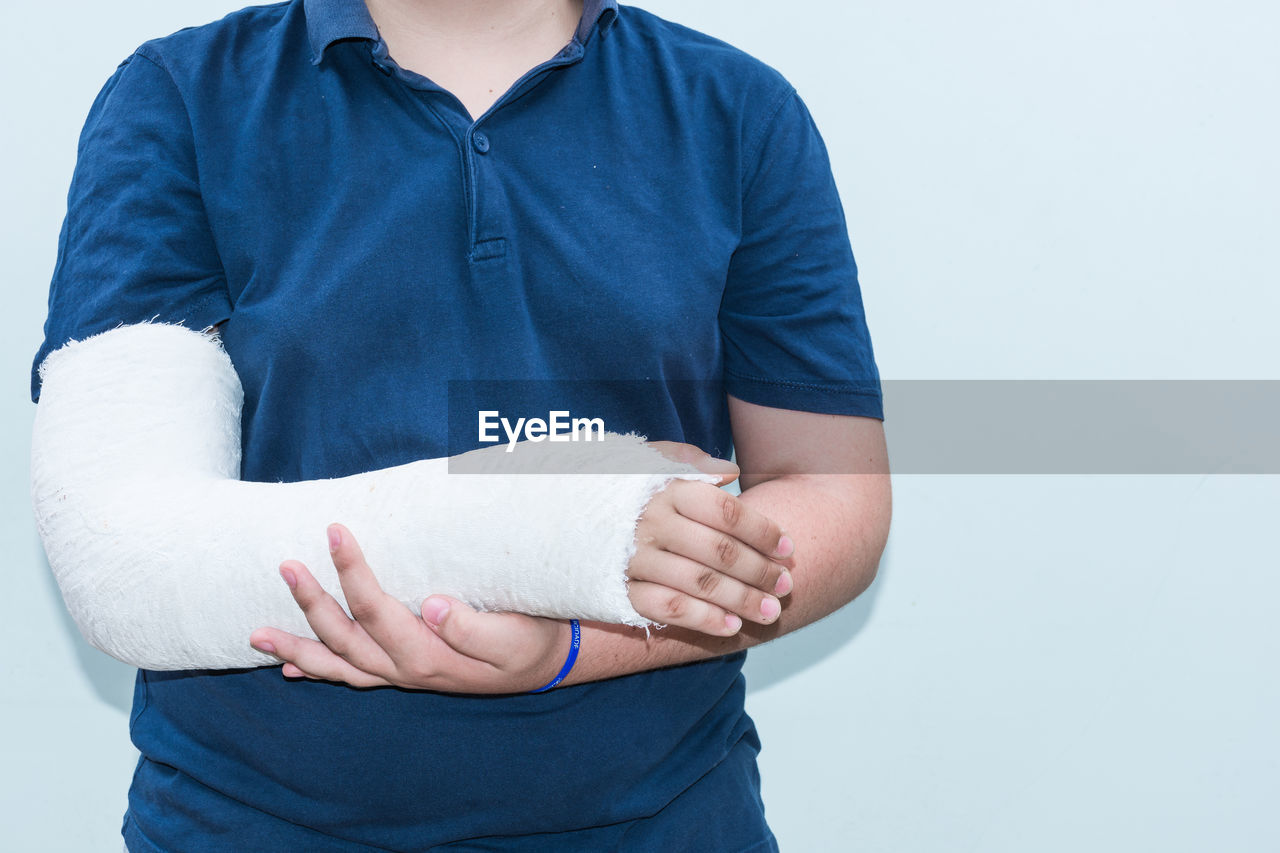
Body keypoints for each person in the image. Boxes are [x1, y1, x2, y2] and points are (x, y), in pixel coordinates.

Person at [32, 0, 891, 849]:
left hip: (662, 820)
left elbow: (832, 490)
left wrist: (572, 645)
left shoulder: (736, 110)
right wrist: (557, 520)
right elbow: (124, 549)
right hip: (254, 822)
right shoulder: (181, 97)